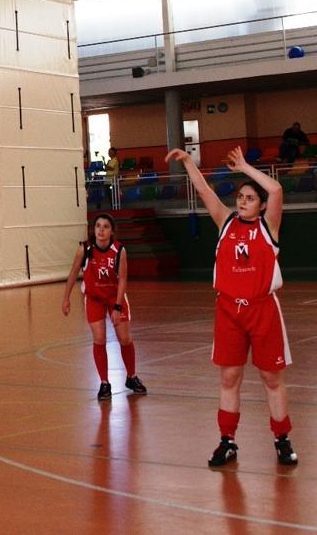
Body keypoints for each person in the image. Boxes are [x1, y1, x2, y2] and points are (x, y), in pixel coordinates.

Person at [164, 146, 297, 468]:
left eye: (250, 198)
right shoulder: (225, 223)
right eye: (240, 196)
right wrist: (187, 162)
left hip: (262, 309)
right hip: (228, 311)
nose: (242, 201)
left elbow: (276, 188)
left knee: (271, 378)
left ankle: (282, 440)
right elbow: (204, 190)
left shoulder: (269, 228)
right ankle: (228, 441)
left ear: (262, 206)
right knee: (229, 378)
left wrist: (245, 167)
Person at [61, 213, 147, 401]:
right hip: (94, 298)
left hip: (114, 297)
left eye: (105, 226)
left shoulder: (119, 250)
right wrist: (66, 298)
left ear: (111, 231)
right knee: (99, 338)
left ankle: (131, 377)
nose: (101, 230)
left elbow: (123, 279)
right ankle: (104, 382)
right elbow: (73, 273)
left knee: (124, 338)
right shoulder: (84, 249)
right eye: (98, 226)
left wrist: (117, 306)